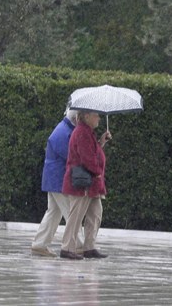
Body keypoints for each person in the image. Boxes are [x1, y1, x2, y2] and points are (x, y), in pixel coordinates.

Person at [30, 108, 83, 257]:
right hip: (58, 181)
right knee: (71, 213)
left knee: (53, 212)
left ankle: (40, 244)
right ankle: (78, 245)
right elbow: (71, 156)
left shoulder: (65, 129)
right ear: (77, 118)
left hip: (54, 180)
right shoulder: (64, 132)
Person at [59, 110, 112, 260]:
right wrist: (98, 172)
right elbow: (87, 158)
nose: (99, 119)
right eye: (96, 115)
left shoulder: (87, 132)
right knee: (76, 216)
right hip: (82, 183)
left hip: (92, 184)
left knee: (95, 214)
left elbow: (92, 152)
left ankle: (89, 247)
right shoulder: (82, 132)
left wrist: (102, 141)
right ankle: (67, 248)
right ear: (87, 116)